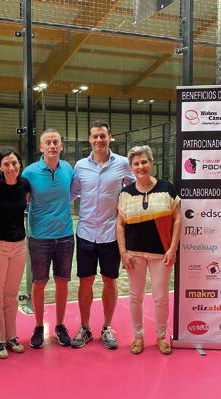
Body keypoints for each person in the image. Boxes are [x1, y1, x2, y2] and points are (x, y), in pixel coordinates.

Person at [70, 120, 134, 350]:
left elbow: (135, 188)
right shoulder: (80, 166)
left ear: (109, 137)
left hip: (111, 233)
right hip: (86, 233)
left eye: (102, 136)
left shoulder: (123, 164)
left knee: (109, 281)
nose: (99, 140)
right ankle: (85, 327)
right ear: (89, 139)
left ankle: (107, 327)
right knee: (85, 281)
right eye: (95, 136)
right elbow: (72, 192)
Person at [116, 145, 181, 355]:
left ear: (151, 163)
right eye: (136, 163)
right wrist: (123, 252)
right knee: (135, 297)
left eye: (144, 162)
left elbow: (178, 219)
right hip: (134, 254)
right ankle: (138, 337)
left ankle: (161, 337)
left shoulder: (166, 188)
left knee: (161, 298)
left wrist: (173, 248)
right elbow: (120, 225)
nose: (140, 166)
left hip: (161, 254)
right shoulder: (125, 193)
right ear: (131, 167)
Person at [21, 128, 74, 349]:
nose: (52, 145)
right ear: (41, 147)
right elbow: (22, 199)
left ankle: (60, 326)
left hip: (65, 236)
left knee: (62, 282)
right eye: (48, 142)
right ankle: (38, 327)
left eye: (55, 142)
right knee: (39, 283)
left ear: (61, 146)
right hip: (39, 238)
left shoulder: (68, 169)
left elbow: (72, 193)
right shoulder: (29, 173)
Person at [0, 147, 30, 359]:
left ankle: (11, 337)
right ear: (0, 167)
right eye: (6, 164)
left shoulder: (24, 185)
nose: (11, 167)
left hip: (19, 245)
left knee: (11, 295)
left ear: (19, 164)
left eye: (14, 163)